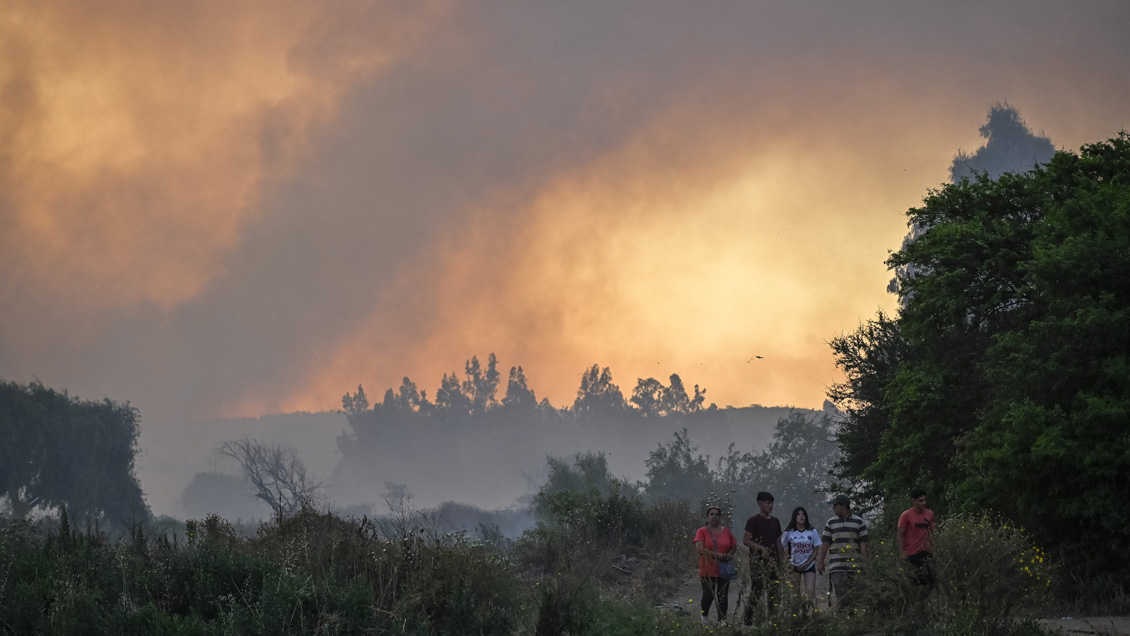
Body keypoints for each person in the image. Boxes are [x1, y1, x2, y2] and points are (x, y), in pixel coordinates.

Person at [817, 494, 869, 611]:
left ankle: (855, 621)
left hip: (855, 565)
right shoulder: (830, 523)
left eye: (835, 505)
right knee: (842, 596)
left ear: (843, 506)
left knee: (857, 595)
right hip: (837, 565)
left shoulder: (859, 522)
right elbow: (825, 543)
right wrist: (821, 562)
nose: (833, 508)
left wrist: (865, 563)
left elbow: (863, 544)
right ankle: (844, 619)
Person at [742, 491, 782, 625]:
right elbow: (746, 540)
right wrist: (761, 548)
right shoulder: (753, 521)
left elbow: (778, 542)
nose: (770, 506)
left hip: (774, 562)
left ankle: (771, 619)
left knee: (774, 591)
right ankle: (749, 618)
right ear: (760, 503)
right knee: (757, 588)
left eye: (771, 503)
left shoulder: (775, 521)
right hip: (757, 561)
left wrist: (782, 559)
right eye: (767, 503)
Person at [694, 505, 738, 624]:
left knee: (723, 596)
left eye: (717, 514)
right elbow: (699, 548)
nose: (714, 516)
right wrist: (716, 555)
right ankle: (704, 618)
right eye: (712, 514)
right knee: (708, 595)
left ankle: (722, 621)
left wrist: (729, 554)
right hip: (708, 569)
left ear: (720, 517)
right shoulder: (701, 531)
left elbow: (734, 545)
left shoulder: (726, 531)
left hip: (723, 570)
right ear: (707, 517)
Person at [897, 488, 936, 591]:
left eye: (925, 500)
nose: (924, 503)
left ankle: (921, 602)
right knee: (916, 583)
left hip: (927, 552)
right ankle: (915, 603)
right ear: (913, 501)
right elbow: (900, 534)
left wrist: (934, 550)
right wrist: (902, 552)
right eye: (920, 501)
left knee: (931, 582)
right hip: (912, 553)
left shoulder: (930, 514)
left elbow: (932, 533)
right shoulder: (906, 515)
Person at [780, 506, 821, 600]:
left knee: (810, 593)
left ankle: (811, 613)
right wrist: (787, 563)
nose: (801, 516)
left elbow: (816, 550)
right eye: (798, 514)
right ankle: (796, 614)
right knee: (794, 595)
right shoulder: (789, 532)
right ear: (794, 517)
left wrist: (807, 563)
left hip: (809, 565)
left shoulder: (812, 531)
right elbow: (781, 548)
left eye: (803, 514)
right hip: (794, 566)